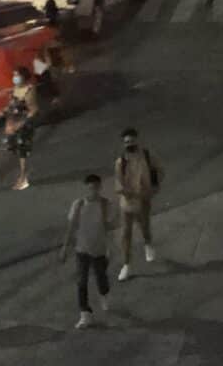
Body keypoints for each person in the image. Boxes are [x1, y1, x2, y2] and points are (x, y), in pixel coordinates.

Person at [61, 172, 113, 329]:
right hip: (82, 249)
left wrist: (112, 248)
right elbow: (71, 227)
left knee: (101, 277)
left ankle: (104, 293)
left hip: (99, 249)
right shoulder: (78, 205)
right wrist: (65, 247)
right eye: (90, 188)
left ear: (100, 187)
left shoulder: (106, 205)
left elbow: (109, 227)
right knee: (81, 282)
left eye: (96, 188)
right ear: (86, 188)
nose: (93, 191)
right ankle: (85, 314)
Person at [114, 127, 160, 278]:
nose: (129, 144)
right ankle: (126, 265)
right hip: (127, 202)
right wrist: (124, 191)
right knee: (126, 234)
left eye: (132, 141)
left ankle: (148, 243)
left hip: (143, 200)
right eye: (127, 142)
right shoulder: (121, 162)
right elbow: (118, 183)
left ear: (137, 140)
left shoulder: (147, 156)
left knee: (144, 226)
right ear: (123, 144)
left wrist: (154, 187)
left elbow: (158, 171)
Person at [3, 68, 39, 189]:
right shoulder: (14, 90)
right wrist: (9, 123)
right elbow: (10, 108)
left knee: (23, 150)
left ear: (24, 76)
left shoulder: (29, 90)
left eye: (17, 75)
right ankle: (23, 172)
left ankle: (23, 178)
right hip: (14, 123)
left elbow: (33, 110)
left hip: (25, 124)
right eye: (14, 75)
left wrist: (20, 124)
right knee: (15, 148)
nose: (15, 78)